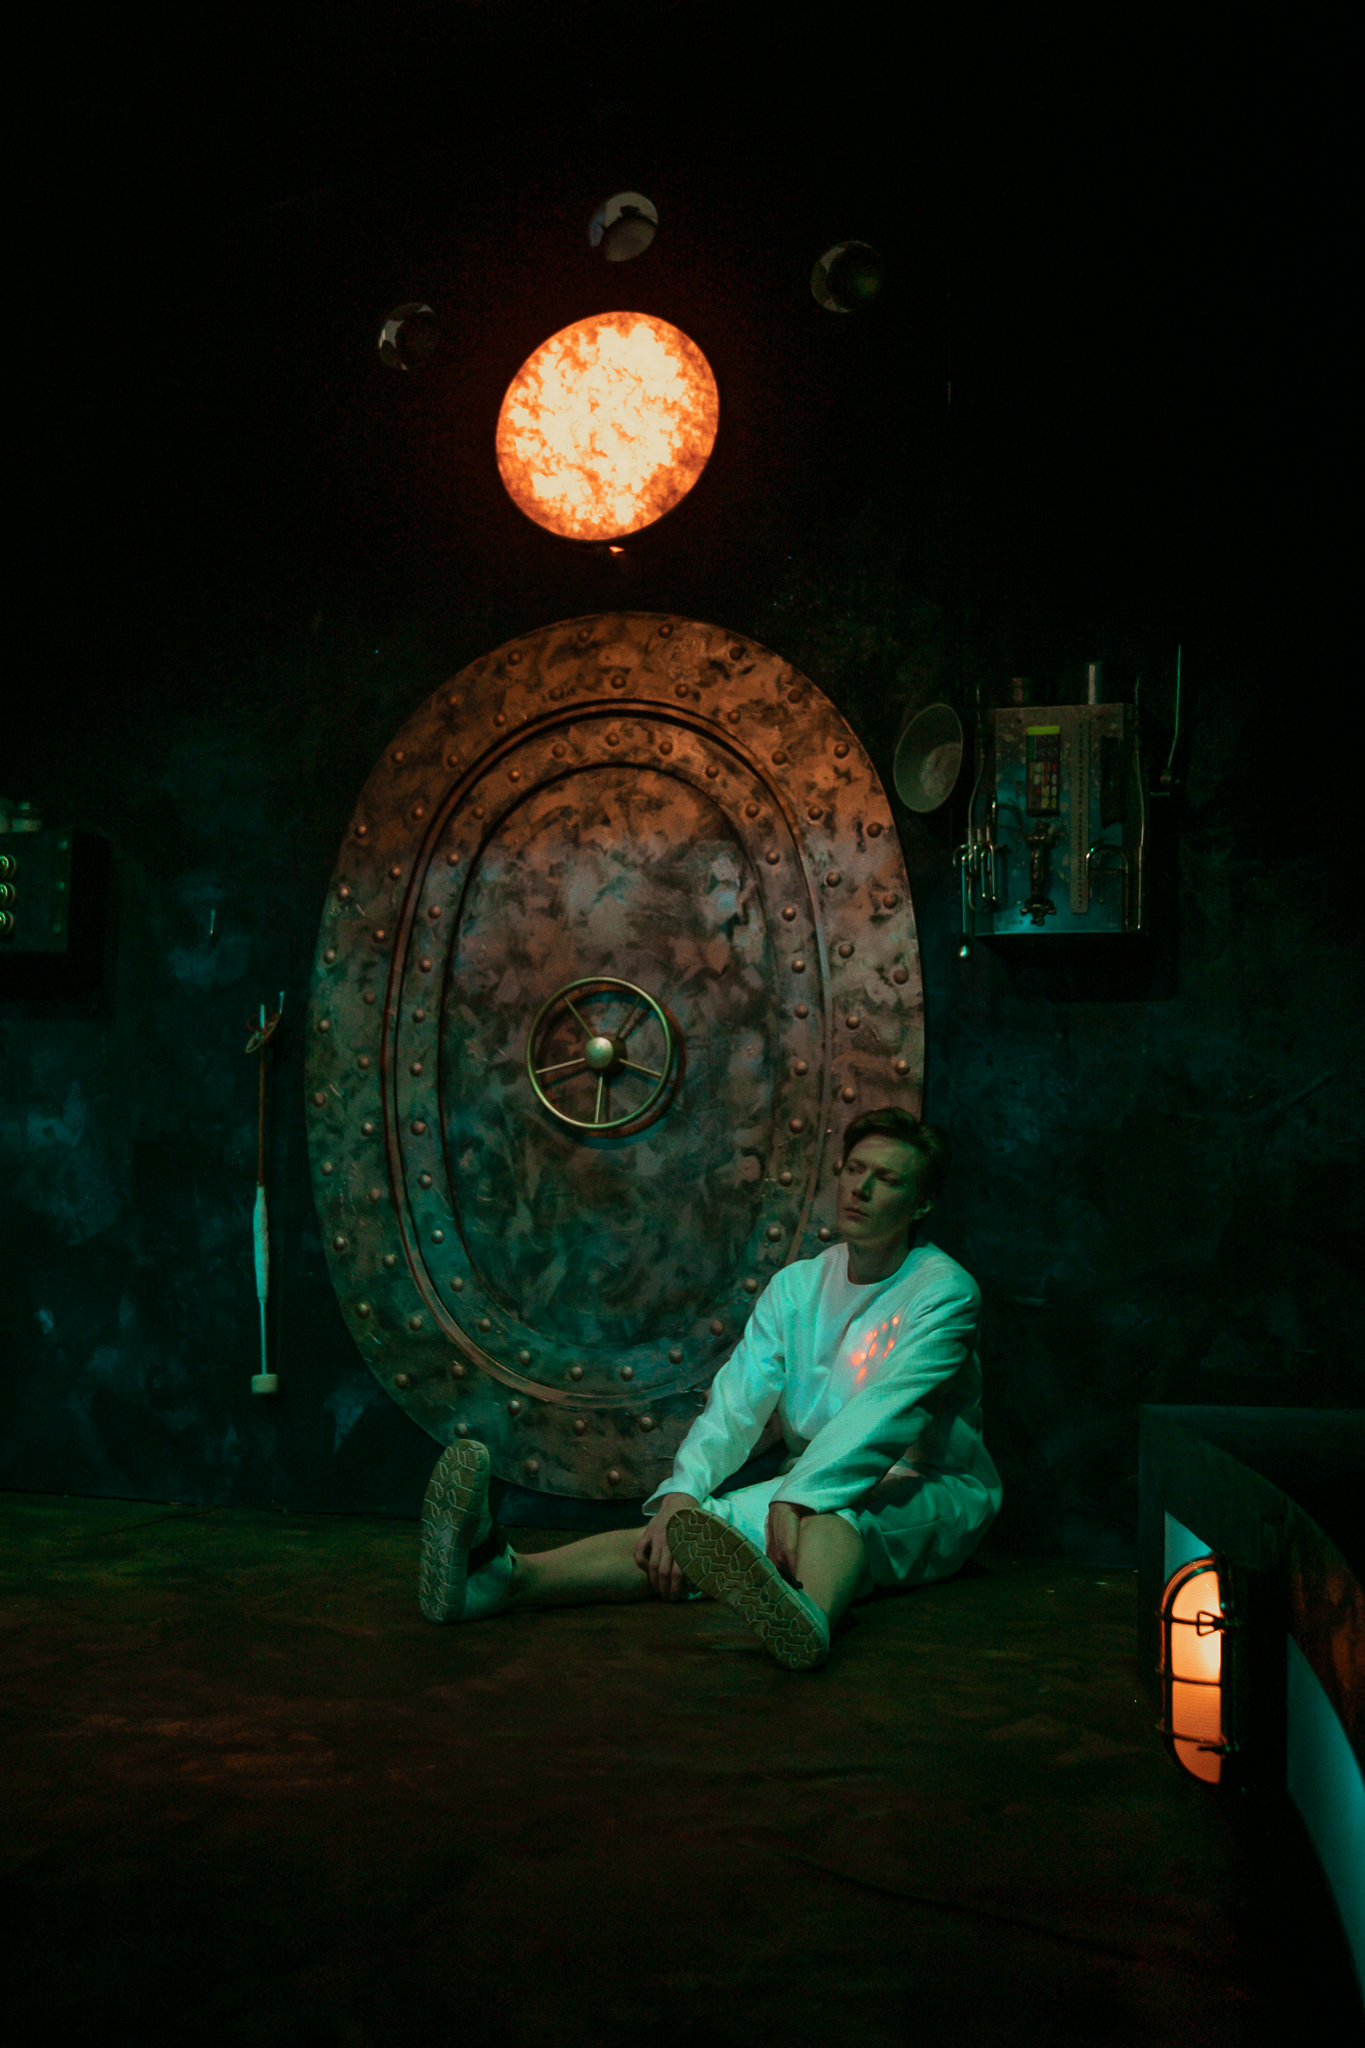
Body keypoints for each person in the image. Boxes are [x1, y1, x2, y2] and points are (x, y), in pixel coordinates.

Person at [416, 1107, 1002, 1671]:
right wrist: (683, 1494)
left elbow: (883, 1413)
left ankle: (809, 1619)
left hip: (929, 1485)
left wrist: (799, 1498)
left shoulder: (944, 1293)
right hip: (806, 1483)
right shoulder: (798, 1286)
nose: (861, 1189)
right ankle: (501, 1577)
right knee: (695, 1536)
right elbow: (736, 1403)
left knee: (837, 1518)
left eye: (887, 1180)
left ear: (922, 1202)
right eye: (854, 1170)